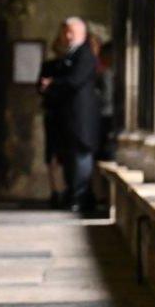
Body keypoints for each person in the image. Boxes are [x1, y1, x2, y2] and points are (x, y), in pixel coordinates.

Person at [40, 16, 100, 213]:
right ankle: (74, 196)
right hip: (71, 119)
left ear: (82, 33)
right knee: (71, 159)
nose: (67, 36)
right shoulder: (71, 55)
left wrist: (53, 84)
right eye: (65, 32)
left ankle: (79, 198)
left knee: (81, 158)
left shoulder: (84, 55)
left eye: (71, 32)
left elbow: (75, 80)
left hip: (81, 119)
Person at [38, 25, 69, 208]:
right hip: (52, 114)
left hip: (66, 116)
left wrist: (53, 85)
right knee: (51, 155)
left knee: (64, 155)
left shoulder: (68, 67)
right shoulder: (48, 66)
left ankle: (64, 190)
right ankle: (55, 191)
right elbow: (40, 88)